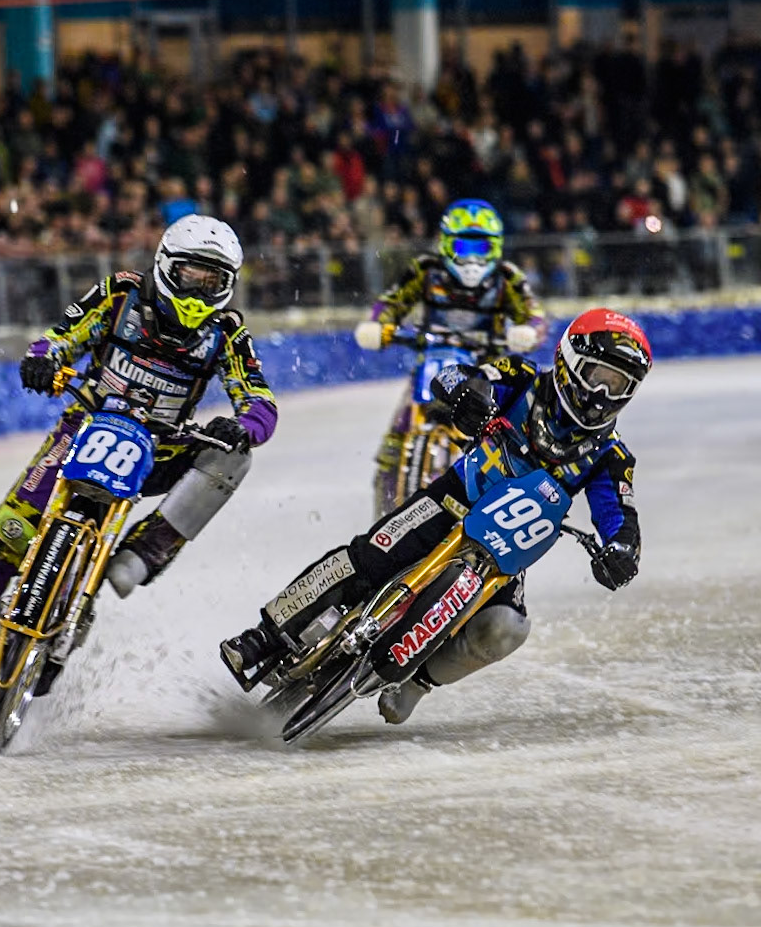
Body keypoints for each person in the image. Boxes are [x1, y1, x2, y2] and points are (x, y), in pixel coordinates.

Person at [221, 308, 651, 725]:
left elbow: (620, 515)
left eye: (619, 387)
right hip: (450, 500)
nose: (602, 396)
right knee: (369, 557)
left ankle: (418, 682)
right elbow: (459, 376)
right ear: (571, 362)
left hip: (505, 551)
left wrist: (622, 550)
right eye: (600, 378)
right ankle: (266, 637)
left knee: (505, 628)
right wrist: (467, 394)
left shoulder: (610, 456)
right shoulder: (521, 379)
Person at [0, 214, 278, 692]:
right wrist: (43, 359)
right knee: (8, 529)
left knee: (235, 457)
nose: (197, 291)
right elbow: (61, 335)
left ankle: (149, 546)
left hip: (163, 445)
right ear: (167, 266)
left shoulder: (228, 332)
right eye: (191, 275)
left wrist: (244, 424)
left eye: (212, 280)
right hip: (87, 425)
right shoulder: (120, 293)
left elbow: (259, 397)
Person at [357, 199, 545, 510]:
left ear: (496, 248)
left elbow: (533, 314)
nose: (472, 259)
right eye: (462, 245)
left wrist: (528, 332)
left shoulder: (507, 279)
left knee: (503, 436)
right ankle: (386, 501)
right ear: (446, 244)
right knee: (397, 435)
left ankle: (500, 499)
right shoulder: (426, 271)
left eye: (481, 248)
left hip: (486, 370)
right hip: (431, 360)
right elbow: (392, 301)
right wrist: (379, 324)